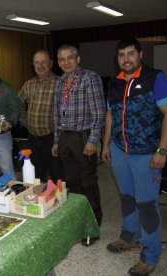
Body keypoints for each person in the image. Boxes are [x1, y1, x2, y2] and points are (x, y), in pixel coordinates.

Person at [101, 38, 167, 276]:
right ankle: (129, 236)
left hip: (147, 155)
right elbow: (110, 116)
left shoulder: (156, 78)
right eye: (121, 55)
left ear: (140, 54)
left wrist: (162, 150)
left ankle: (150, 255)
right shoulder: (114, 83)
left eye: (130, 53)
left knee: (146, 205)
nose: (126, 59)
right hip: (119, 151)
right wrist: (106, 145)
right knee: (126, 197)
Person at [51, 44, 105, 245]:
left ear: (78, 59)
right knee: (72, 184)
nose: (66, 62)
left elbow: (99, 112)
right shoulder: (60, 82)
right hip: (65, 138)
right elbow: (56, 114)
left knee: (88, 183)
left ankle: (92, 227)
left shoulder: (90, 78)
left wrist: (93, 140)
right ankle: (78, 223)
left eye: (70, 58)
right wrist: (56, 141)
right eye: (62, 59)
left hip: (83, 138)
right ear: (58, 62)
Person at [19, 50, 63, 182]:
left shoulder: (59, 83)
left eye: (44, 62)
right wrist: (24, 120)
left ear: (50, 64)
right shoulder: (28, 84)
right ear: (33, 65)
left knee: (57, 175)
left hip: (52, 139)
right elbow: (18, 103)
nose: (40, 65)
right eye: (37, 62)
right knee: (36, 175)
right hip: (33, 139)